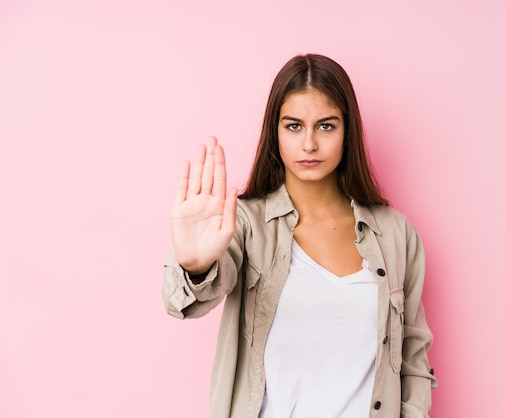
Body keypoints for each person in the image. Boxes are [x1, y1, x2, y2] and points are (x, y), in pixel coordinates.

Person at [163, 54, 437, 418]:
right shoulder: (244, 224)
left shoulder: (396, 234)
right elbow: (186, 301)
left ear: (347, 132)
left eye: (326, 126)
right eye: (293, 126)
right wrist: (195, 266)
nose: (309, 144)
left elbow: (412, 359)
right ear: (274, 132)